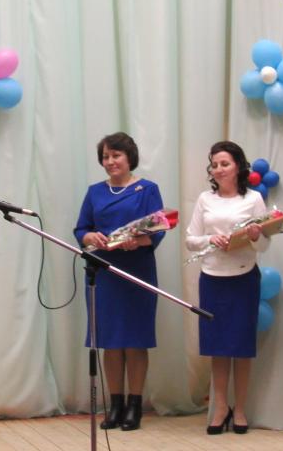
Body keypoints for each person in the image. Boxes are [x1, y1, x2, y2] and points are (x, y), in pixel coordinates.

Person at [74, 132, 165, 431]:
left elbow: (159, 228)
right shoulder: (94, 192)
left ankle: (134, 405)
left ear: (129, 157)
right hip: (104, 271)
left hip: (137, 271)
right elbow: (81, 230)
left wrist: (137, 241)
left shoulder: (147, 189)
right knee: (110, 342)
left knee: (135, 340)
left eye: (116, 155)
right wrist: (90, 237)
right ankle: (115, 405)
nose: (110, 161)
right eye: (106, 156)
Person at [185, 141, 268, 435]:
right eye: (215, 165)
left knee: (241, 347)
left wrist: (255, 235)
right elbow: (191, 239)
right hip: (212, 277)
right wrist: (211, 239)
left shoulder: (254, 198)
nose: (219, 169)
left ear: (238, 166)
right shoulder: (205, 199)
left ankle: (240, 409)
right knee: (217, 347)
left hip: (244, 277)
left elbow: (265, 244)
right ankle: (220, 407)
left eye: (225, 164)